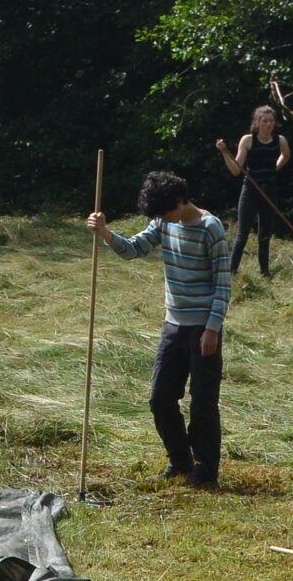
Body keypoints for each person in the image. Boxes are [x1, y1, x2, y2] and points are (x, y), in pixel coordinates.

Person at [89, 171, 234, 487]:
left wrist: (212, 329)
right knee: (160, 399)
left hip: (203, 329)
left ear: (181, 201)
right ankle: (180, 461)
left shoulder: (211, 229)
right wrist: (106, 233)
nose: (162, 219)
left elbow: (224, 285)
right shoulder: (163, 221)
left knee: (202, 404)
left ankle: (206, 470)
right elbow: (134, 249)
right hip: (173, 326)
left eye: (166, 212)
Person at [216, 105, 292, 278]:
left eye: (271, 121)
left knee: (265, 234)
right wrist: (224, 153)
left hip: (270, 190)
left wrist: (275, 168)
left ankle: (265, 273)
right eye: (264, 121)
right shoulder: (248, 140)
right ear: (257, 123)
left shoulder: (280, 140)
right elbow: (236, 170)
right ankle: (231, 272)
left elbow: (286, 155)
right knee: (242, 234)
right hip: (250, 190)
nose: (268, 124)